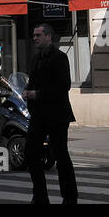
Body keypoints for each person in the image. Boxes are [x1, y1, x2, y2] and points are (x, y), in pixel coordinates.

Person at [25, 23, 77, 204]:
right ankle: (40, 196)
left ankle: (70, 197)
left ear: (48, 36)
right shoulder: (35, 58)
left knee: (61, 156)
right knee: (31, 153)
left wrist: (38, 94)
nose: (35, 38)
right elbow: (32, 81)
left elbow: (64, 86)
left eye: (38, 35)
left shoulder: (60, 58)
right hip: (39, 114)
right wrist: (27, 91)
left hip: (57, 114)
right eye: (34, 35)